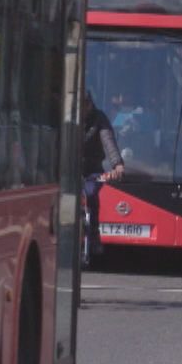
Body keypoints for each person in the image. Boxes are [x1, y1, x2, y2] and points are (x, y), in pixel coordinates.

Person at [80, 91, 124, 268]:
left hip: (92, 169)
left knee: (91, 194)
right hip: (68, 170)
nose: (83, 109)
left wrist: (117, 165)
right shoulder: (67, 117)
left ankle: (94, 236)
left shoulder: (99, 119)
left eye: (86, 105)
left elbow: (108, 142)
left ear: (90, 104)